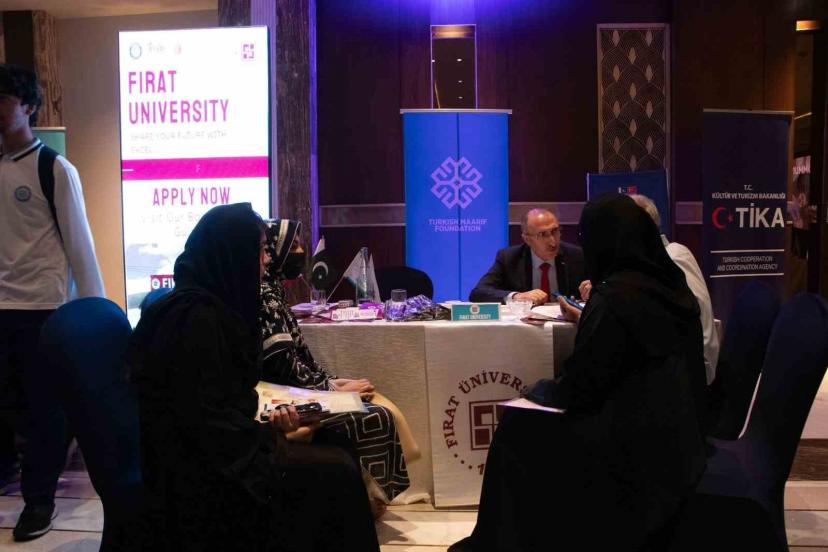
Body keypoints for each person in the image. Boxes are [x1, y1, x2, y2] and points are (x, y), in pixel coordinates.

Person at [450, 194, 708, 551]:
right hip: (680, 434)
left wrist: (533, 392)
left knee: (516, 425)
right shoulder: (671, 286)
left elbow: (581, 388)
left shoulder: (614, 298)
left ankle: (507, 540)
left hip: (631, 442)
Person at [128, 203, 380, 552]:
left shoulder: (217, 305)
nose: (266, 260)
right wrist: (274, 438)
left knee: (338, 442)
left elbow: (225, 403)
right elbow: (203, 428)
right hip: (201, 476)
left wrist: (276, 427)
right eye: (260, 250)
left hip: (226, 446)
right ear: (233, 253)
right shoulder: (193, 321)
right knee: (337, 472)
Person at [0, 64, 105, 541]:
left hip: (43, 308)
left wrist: (97, 317)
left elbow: (79, 244)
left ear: (29, 107)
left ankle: (39, 501)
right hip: (2, 309)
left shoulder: (54, 168)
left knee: (44, 411)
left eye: (6, 99)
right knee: (13, 409)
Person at [260, 219, 411, 512]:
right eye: (293, 246)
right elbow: (282, 366)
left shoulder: (274, 291)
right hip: (281, 400)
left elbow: (299, 360)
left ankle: (359, 497)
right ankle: (357, 502)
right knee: (375, 415)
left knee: (374, 403)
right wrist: (329, 390)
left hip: (297, 390)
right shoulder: (266, 297)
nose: (301, 252)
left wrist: (330, 382)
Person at [469, 208, 584, 304]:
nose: (553, 241)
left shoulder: (576, 256)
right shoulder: (509, 258)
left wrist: (591, 289)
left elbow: (592, 288)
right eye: (543, 234)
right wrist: (517, 296)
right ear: (527, 239)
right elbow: (478, 293)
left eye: (555, 231)